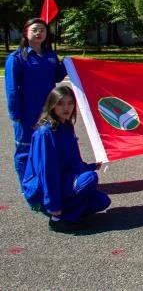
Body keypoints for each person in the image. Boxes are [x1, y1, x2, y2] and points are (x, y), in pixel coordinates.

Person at [22, 85, 110, 232]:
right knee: (89, 178)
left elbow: (73, 161)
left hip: (63, 179)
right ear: (52, 105)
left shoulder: (66, 126)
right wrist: (53, 205)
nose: (66, 108)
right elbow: (47, 172)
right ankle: (57, 219)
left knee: (102, 201)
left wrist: (91, 165)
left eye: (70, 103)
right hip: (43, 187)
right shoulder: (45, 132)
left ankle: (70, 213)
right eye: (60, 104)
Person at [5, 18, 67, 188]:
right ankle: (27, 187)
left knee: (49, 146)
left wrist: (66, 64)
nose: (39, 33)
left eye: (42, 30)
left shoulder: (50, 56)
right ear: (26, 33)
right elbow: (11, 89)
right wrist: (15, 115)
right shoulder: (17, 58)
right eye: (35, 30)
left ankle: (45, 182)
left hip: (50, 111)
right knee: (25, 151)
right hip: (27, 113)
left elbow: (57, 77)